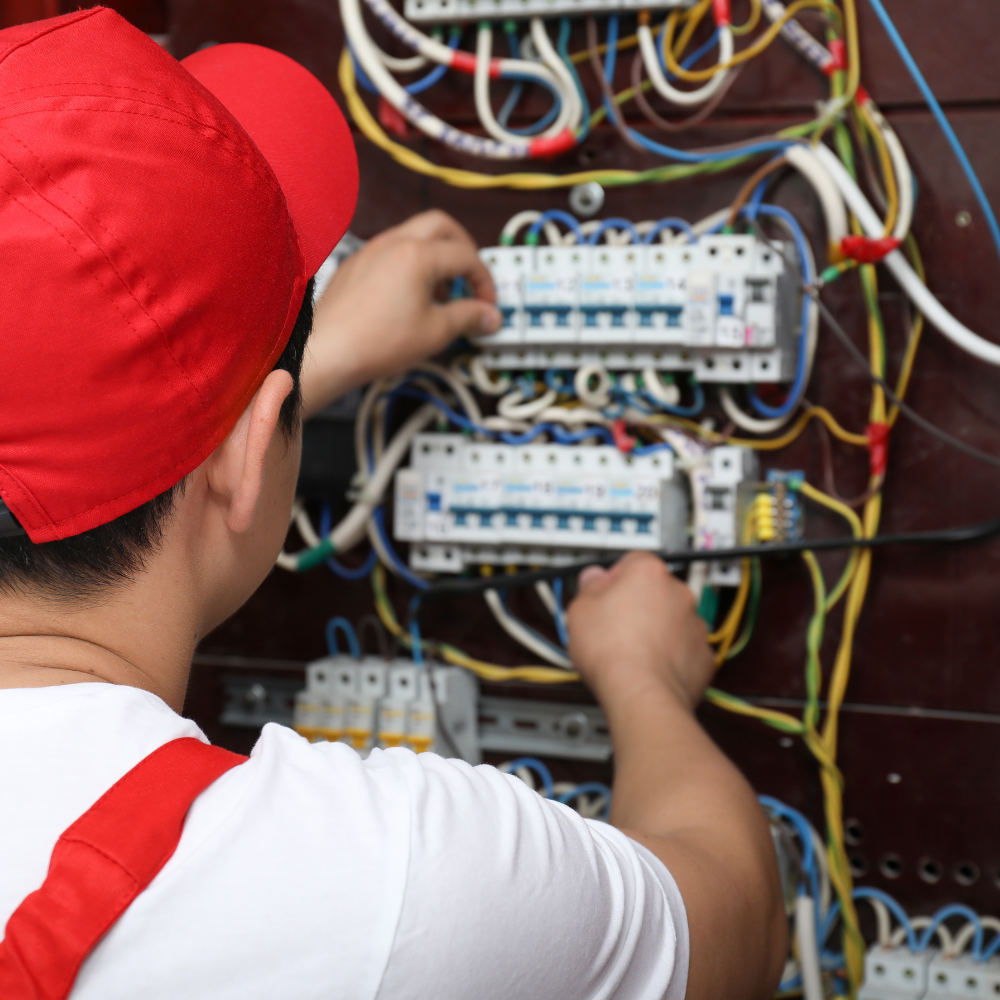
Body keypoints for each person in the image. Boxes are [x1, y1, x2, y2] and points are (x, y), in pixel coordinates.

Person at [0, 8, 786, 999]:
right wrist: (641, 678)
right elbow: (742, 924)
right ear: (252, 455)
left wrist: (275, 391)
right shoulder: (380, 892)